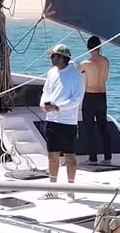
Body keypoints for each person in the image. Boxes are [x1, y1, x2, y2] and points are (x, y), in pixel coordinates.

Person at [39, 43, 84, 183]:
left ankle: (70, 189)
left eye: (54, 56)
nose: (51, 58)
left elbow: (77, 99)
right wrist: (43, 103)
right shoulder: (51, 72)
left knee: (70, 157)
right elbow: (46, 91)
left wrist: (58, 107)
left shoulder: (76, 75)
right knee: (52, 156)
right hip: (51, 120)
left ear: (63, 58)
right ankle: (53, 189)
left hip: (67, 122)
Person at [78, 33, 112, 165]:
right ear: (100, 46)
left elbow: (75, 73)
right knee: (103, 127)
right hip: (102, 95)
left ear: (88, 48)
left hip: (90, 96)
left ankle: (93, 158)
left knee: (89, 128)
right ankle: (107, 157)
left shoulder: (85, 63)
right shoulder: (106, 61)